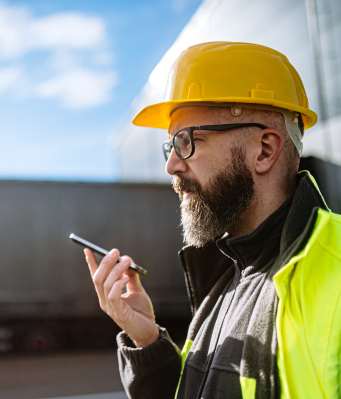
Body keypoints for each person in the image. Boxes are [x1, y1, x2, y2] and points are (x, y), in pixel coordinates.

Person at [84, 42, 341, 398]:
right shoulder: (223, 283)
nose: (171, 165)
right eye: (170, 145)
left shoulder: (335, 272)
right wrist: (148, 342)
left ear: (264, 150)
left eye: (188, 141)